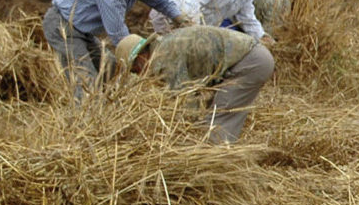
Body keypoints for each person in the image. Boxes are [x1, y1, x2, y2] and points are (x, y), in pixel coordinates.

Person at [42, 0, 185, 99]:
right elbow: (118, 34)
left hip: (83, 31)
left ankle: (107, 109)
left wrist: (182, 21)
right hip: (62, 26)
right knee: (84, 78)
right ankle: (88, 117)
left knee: (109, 67)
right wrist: (138, 60)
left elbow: (161, 2)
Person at [115, 25, 274, 143]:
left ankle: (217, 166)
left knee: (219, 123)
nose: (139, 75)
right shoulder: (164, 46)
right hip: (251, 57)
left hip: (250, 63)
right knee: (213, 116)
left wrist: (182, 137)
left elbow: (185, 101)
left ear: (141, 58)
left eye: (135, 70)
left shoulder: (163, 59)